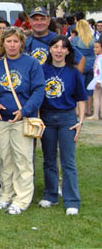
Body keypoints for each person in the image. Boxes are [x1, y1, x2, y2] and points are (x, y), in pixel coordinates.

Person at [0, 27, 45, 215]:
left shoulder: (31, 63)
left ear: (21, 42)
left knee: (22, 159)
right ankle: (5, 194)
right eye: (8, 41)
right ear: (2, 43)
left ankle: (21, 199)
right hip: (1, 120)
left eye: (15, 41)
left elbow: (38, 90)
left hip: (22, 118)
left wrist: (25, 110)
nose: (12, 45)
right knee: (3, 159)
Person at [39, 36, 87, 216]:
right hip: (47, 117)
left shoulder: (73, 72)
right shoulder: (42, 70)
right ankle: (51, 195)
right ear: (50, 49)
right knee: (49, 160)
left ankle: (71, 200)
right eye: (55, 47)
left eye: (63, 47)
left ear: (68, 51)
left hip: (67, 118)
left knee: (68, 162)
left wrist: (80, 121)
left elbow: (81, 99)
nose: (59, 51)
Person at [25, 7, 85, 73]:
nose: (39, 23)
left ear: (48, 21)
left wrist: (75, 80)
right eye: (35, 20)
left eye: (42, 19)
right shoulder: (25, 42)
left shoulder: (59, 39)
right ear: (30, 21)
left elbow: (81, 59)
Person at [71, 20, 95, 116]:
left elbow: (73, 53)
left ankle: (79, 110)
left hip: (80, 64)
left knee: (79, 87)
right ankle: (89, 109)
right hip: (92, 65)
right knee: (90, 89)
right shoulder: (93, 39)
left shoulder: (76, 40)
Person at [88, 39, 102, 120]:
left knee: (96, 96)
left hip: (98, 79)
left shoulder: (100, 58)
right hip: (99, 79)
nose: (94, 49)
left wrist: (98, 81)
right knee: (100, 97)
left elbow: (100, 70)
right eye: (94, 47)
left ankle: (95, 114)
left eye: (97, 47)